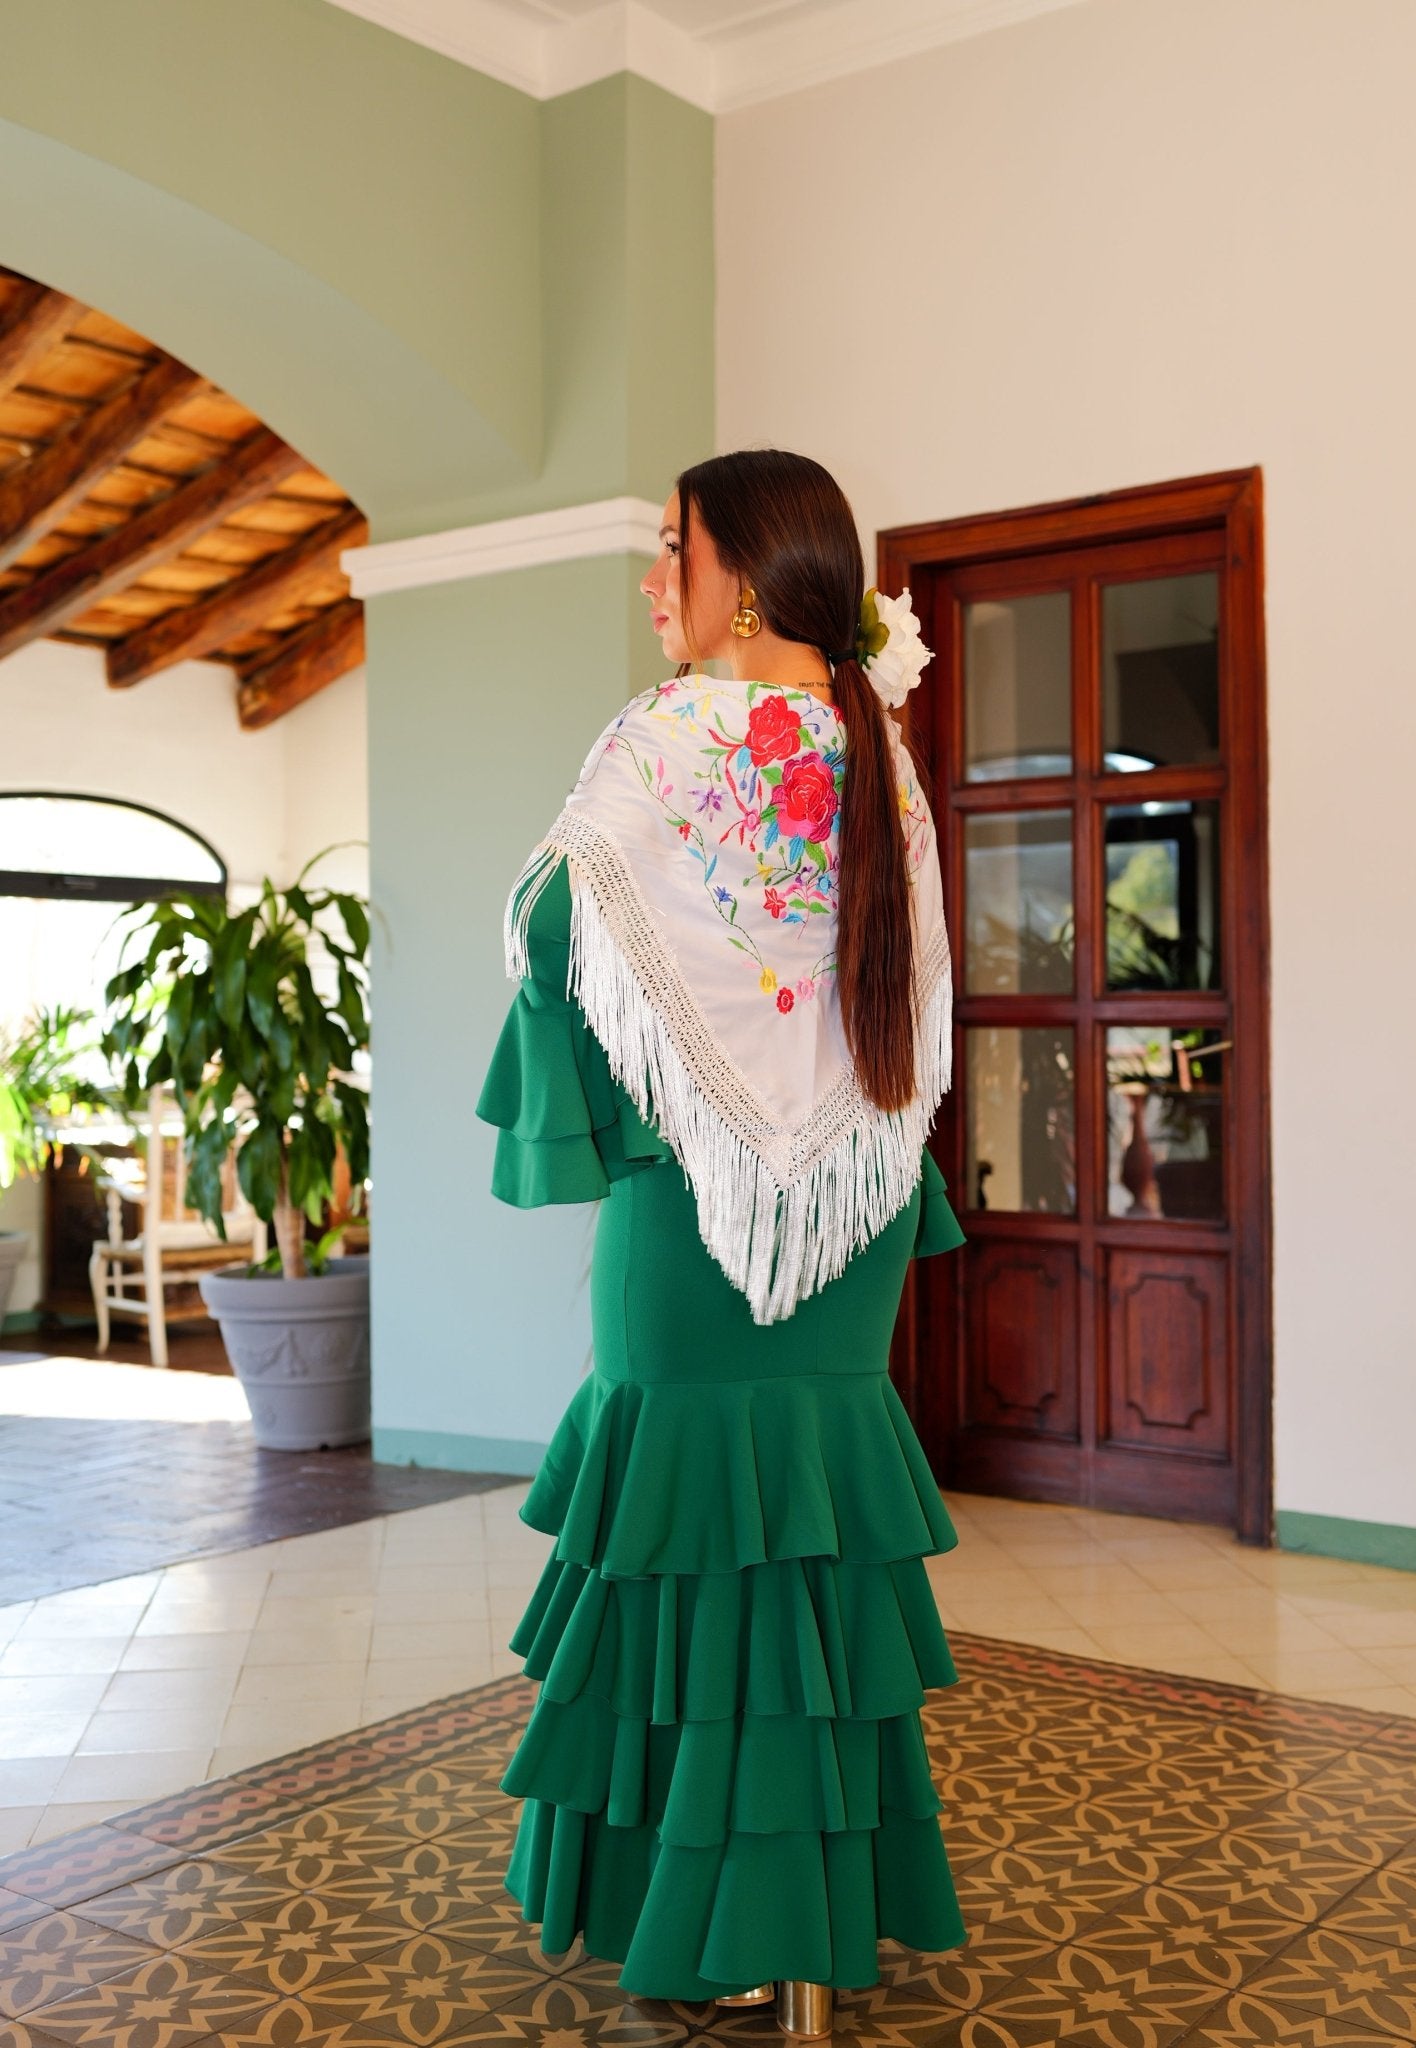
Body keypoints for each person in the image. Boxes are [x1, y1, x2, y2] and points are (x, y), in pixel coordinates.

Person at [475, 447, 970, 2038]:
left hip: (695, 1215)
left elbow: (553, 918)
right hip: (854, 1201)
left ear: (741, 578)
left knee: (686, 1535)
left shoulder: (668, 729)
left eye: (668, 551)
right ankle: (806, 1924)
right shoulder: (873, 742)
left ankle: (719, 1921)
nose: (652, 585)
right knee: (809, 1542)